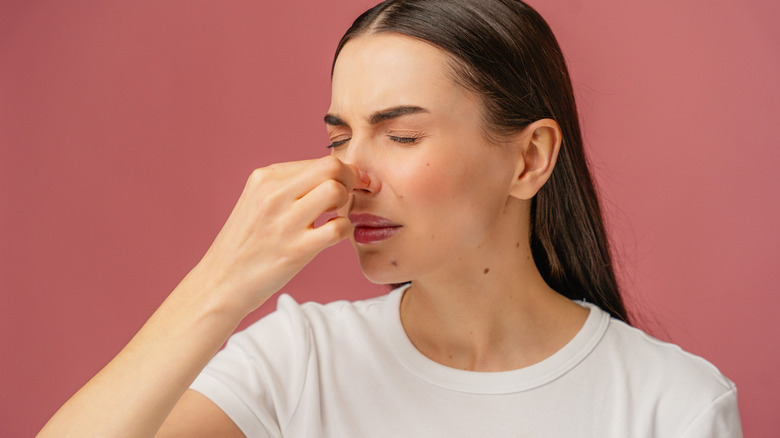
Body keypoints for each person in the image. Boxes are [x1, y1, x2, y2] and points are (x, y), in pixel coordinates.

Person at [39, 0, 742, 436]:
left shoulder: (671, 408)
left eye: (401, 135)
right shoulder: (299, 362)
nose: (351, 172)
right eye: (339, 137)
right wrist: (222, 283)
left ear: (529, 159)